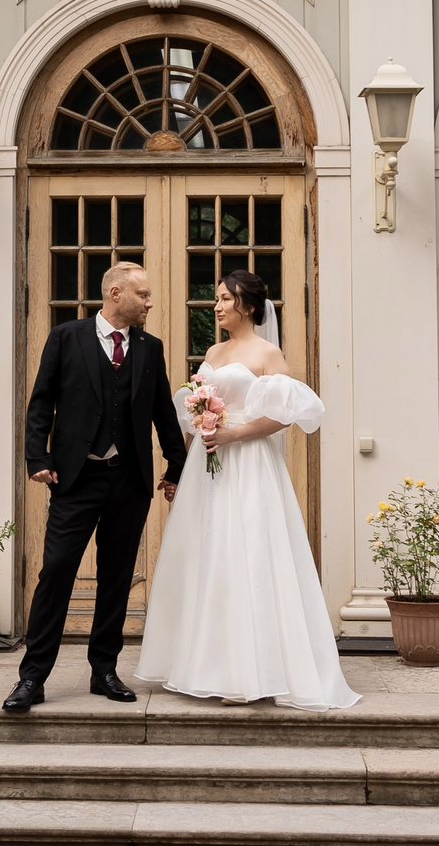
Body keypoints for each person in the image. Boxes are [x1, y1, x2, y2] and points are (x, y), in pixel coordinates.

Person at [133, 268, 358, 711]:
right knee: (206, 555)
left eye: (223, 299)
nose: (216, 306)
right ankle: (204, 665)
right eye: (216, 299)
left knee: (246, 553)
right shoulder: (215, 350)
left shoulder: (267, 354)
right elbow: (194, 410)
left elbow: (283, 415)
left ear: (248, 306)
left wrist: (232, 435)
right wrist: (184, 461)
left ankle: (249, 672)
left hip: (249, 464)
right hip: (207, 464)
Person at [10, 262, 184, 713]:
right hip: (76, 478)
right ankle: (32, 677)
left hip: (129, 481)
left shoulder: (150, 348)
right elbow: (41, 402)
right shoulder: (66, 337)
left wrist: (175, 466)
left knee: (116, 578)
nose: (149, 302)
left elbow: (163, 410)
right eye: (142, 295)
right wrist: (37, 458)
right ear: (114, 293)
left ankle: (104, 670)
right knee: (56, 573)